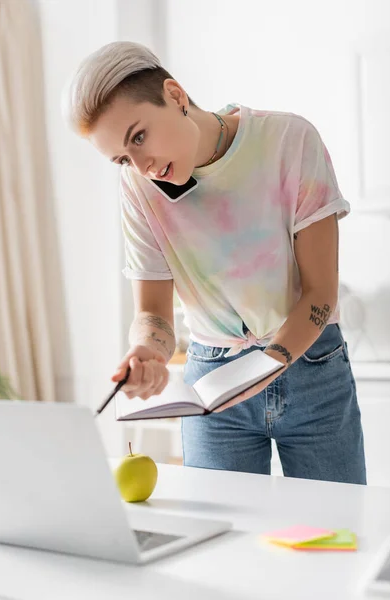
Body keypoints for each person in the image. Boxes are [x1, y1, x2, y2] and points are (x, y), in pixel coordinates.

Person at [63, 41, 366, 484]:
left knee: (339, 535)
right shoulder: (138, 187)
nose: (143, 166)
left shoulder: (289, 140)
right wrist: (146, 352)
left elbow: (321, 292)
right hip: (212, 383)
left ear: (176, 95)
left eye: (139, 137)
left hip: (311, 366)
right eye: (123, 159)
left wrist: (266, 365)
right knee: (222, 542)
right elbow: (152, 314)